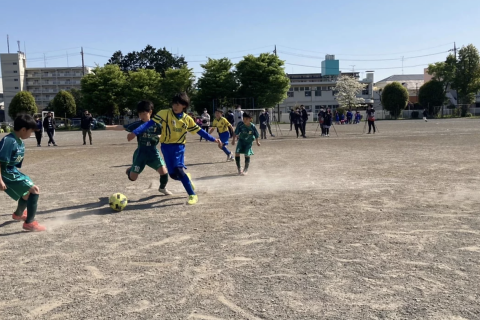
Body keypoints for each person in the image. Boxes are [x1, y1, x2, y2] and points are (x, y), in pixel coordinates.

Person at [126, 92, 222, 205]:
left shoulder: (187, 119)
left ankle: (192, 195)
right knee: (173, 175)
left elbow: (199, 131)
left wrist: (213, 139)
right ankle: (187, 178)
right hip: (166, 147)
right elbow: (149, 123)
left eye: (178, 104)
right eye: (174, 104)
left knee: (178, 169)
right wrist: (135, 132)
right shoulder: (165, 113)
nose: (175, 106)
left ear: (184, 105)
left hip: (178, 147)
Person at [106, 101, 172, 195]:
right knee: (133, 178)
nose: (141, 116)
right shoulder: (138, 124)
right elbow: (122, 126)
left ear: (150, 112)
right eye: (140, 113)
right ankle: (130, 170)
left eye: (143, 113)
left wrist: (158, 136)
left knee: (164, 172)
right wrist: (105, 126)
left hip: (153, 153)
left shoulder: (157, 124)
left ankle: (162, 188)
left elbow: (166, 133)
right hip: (141, 153)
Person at [0, 114, 46, 231]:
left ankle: (18, 214)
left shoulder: (19, 142)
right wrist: (0, 180)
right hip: (5, 172)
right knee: (34, 190)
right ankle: (29, 223)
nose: (31, 135)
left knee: (26, 193)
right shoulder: (9, 141)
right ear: (23, 129)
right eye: (30, 132)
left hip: (12, 171)